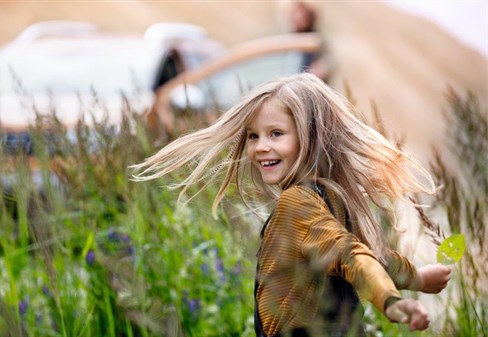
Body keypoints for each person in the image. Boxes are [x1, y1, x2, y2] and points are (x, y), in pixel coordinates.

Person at [131, 73, 451, 336]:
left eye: (276, 133)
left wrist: (391, 301)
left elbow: (355, 256)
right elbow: (368, 256)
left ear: (312, 137)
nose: (260, 147)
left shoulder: (299, 202)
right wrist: (418, 280)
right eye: (253, 136)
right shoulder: (328, 198)